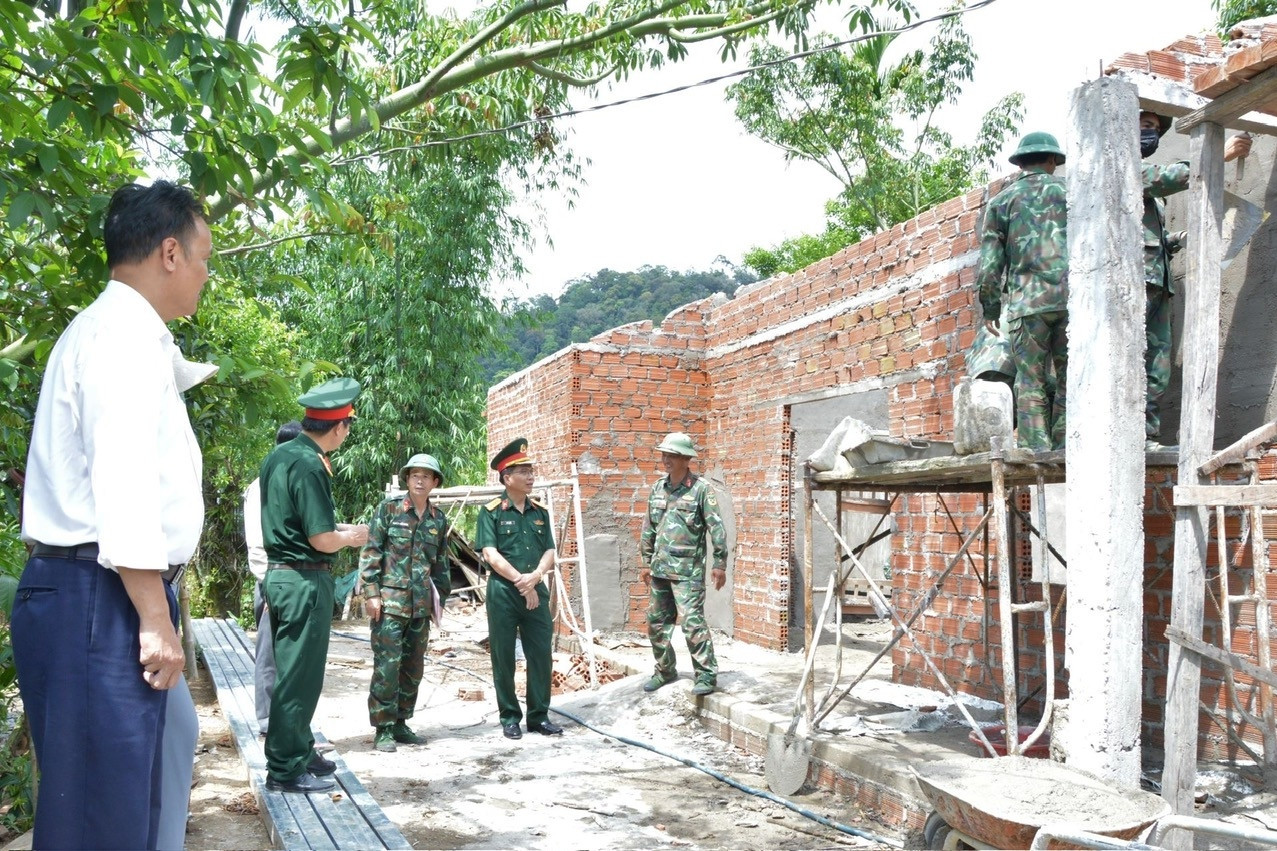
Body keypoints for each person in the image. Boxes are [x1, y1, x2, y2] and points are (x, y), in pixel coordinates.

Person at [13, 180, 211, 849]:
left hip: (106, 590)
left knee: (152, 768)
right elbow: (123, 483)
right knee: (102, 814)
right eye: (204, 258)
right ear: (169, 253)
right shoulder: (119, 337)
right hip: (101, 593)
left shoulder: (130, 336)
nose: (206, 274)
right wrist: (154, 617)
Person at [260, 377, 369, 793]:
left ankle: (301, 748)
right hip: (304, 579)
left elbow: (294, 519)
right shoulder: (310, 463)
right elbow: (322, 539)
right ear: (339, 427)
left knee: (297, 670)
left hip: (283, 575)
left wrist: (337, 528)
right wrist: (351, 537)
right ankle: (285, 768)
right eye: (348, 427)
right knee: (299, 676)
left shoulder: (281, 454)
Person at [1139, 111, 1251, 452]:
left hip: (1158, 283)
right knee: (1130, 362)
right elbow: (1162, 178)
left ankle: (1145, 437)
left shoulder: (1148, 186)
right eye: (1145, 126)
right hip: (1132, 284)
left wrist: (1179, 239)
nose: (1151, 134)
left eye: (1154, 129)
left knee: (1157, 367)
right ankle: (1125, 436)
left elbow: (1150, 237)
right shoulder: (1118, 165)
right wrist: (1218, 155)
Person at [976, 131, 1069, 451]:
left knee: (1030, 380)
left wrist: (990, 308)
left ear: (1020, 163)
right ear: (1053, 159)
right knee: (1072, 377)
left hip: (1026, 306)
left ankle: (1035, 451)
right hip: (1073, 303)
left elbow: (990, 266)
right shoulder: (1072, 192)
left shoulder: (1001, 202)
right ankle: (1067, 447)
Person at [360, 454, 452, 752]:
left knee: (413, 667)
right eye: (415, 475)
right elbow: (372, 551)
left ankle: (401, 722)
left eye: (426, 476)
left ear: (435, 482)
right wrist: (371, 593)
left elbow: (440, 565)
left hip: (420, 607)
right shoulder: (389, 509)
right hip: (389, 604)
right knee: (387, 666)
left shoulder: (438, 519)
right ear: (407, 479)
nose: (420, 481)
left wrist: (440, 602)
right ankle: (383, 727)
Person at [476, 438, 562, 740]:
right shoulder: (491, 512)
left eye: (531, 471)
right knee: (503, 656)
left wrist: (535, 577)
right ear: (506, 477)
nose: (530, 476)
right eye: (523, 471)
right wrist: (522, 583)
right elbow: (491, 554)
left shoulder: (540, 512)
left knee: (541, 654)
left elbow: (549, 550)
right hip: (503, 593)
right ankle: (510, 716)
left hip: (536, 589)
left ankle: (539, 716)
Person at [639, 432, 728, 696]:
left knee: (692, 623)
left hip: (688, 572)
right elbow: (648, 527)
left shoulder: (701, 490)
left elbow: (716, 527)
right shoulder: (658, 488)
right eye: (664, 454)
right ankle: (665, 670)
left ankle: (706, 675)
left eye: (672, 455)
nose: (666, 459)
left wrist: (720, 563)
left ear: (686, 459)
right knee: (656, 624)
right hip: (659, 570)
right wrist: (645, 561)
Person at [243, 420, 302, 735]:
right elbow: (257, 543)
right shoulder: (262, 486)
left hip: (291, 582)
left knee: (290, 654)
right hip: (272, 581)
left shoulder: (290, 482)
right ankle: (267, 719)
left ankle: (287, 720)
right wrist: (269, 585)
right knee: (269, 653)